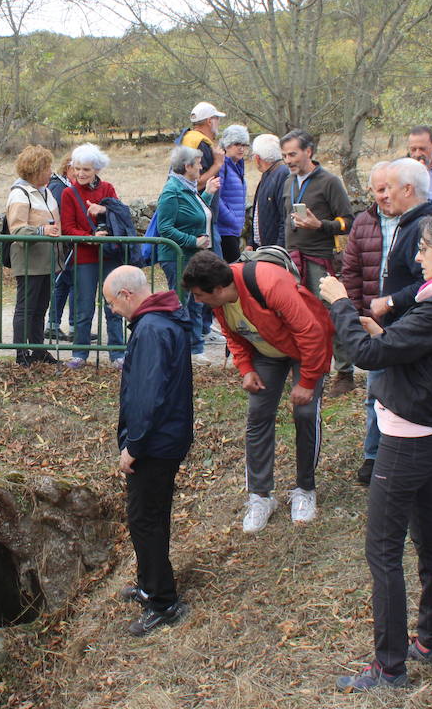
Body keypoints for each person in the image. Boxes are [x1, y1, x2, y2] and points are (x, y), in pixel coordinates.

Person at [320, 212, 432, 692]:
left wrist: (340, 305)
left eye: (424, 248)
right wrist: (385, 335)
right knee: (430, 539)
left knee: (382, 551)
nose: (417, 258)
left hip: (405, 441)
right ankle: (431, 641)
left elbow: (367, 357)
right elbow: (423, 355)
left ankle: (389, 667)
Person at [182, 250, 332, 531]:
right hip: (267, 352)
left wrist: (307, 381)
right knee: (258, 414)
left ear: (218, 289)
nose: (197, 301)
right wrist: (246, 368)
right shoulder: (220, 302)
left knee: (305, 413)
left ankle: (305, 489)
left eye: (200, 295)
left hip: (305, 350)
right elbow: (233, 334)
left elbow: (311, 332)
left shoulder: (270, 283)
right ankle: (260, 496)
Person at [103, 265, 194, 636]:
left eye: (112, 303)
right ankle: (149, 583)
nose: (112, 310)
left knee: (145, 519)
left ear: (126, 295)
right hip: (165, 437)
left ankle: (162, 601)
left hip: (155, 443)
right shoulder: (159, 322)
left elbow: (147, 394)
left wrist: (134, 446)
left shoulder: (152, 329)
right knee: (150, 516)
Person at [280, 130, 354, 396]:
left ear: (308, 152)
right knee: (301, 316)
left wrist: (320, 225)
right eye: (284, 155)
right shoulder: (288, 182)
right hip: (293, 259)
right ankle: (313, 369)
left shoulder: (329, 182)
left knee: (331, 315)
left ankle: (345, 373)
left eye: (293, 154)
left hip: (321, 260)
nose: (288, 160)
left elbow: (348, 222)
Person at [342, 162, 398, 485]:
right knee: (375, 391)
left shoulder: (417, 221)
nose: (385, 195)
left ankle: (402, 451)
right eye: (380, 190)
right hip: (374, 318)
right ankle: (373, 454)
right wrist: (355, 312)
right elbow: (350, 271)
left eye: (390, 187)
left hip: (408, 319)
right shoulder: (363, 223)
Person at [59, 143, 127, 369]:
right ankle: (79, 353)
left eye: (86, 169)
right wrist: (90, 238)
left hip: (109, 256)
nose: (80, 173)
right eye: (77, 168)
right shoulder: (69, 193)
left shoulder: (107, 188)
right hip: (84, 258)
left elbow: (121, 213)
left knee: (114, 306)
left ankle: (118, 354)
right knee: (83, 307)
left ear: (97, 169)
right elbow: (68, 228)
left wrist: (104, 210)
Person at [155, 145, 220, 362]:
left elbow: (195, 215)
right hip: (177, 257)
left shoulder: (187, 187)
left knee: (195, 301)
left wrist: (207, 194)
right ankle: (181, 349)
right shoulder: (172, 191)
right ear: (187, 166)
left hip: (191, 256)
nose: (201, 167)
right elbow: (165, 227)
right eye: (198, 164)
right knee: (182, 303)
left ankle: (195, 349)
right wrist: (192, 241)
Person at [369, 159, 432, 324]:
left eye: (389, 187)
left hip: (415, 325)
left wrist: (390, 302)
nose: (386, 195)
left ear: (407, 190)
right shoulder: (412, 221)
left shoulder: (426, 227)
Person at [5, 144, 61, 366]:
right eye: (47, 168)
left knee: (40, 308)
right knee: (25, 308)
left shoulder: (46, 192)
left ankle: (38, 350)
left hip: (47, 261)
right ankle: (21, 353)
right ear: (36, 169)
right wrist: (41, 231)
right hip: (29, 261)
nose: (51, 172)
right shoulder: (19, 194)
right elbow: (17, 230)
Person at [46, 157, 75, 341]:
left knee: (65, 283)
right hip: (63, 245)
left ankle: (56, 325)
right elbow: (57, 215)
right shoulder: (59, 186)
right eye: (75, 168)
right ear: (67, 169)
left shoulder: (64, 185)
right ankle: (65, 326)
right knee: (66, 283)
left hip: (66, 244)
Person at [214, 125, 250, 262]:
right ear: (227, 145)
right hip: (224, 231)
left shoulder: (237, 166)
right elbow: (216, 197)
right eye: (237, 144)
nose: (241, 148)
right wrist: (232, 219)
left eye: (244, 145)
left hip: (233, 230)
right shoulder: (222, 165)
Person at [249, 133, 289, 250]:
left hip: (275, 251)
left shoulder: (282, 175)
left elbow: (285, 218)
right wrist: (251, 242)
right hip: (265, 248)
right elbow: (258, 213)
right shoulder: (268, 174)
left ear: (257, 158)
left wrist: (277, 251)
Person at [181, 101, 225, 189]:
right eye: (217, 118)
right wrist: (218, 164)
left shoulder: (187, 138)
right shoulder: (201, 144)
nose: (219, 122)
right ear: (209, 121)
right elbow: (196, 184)